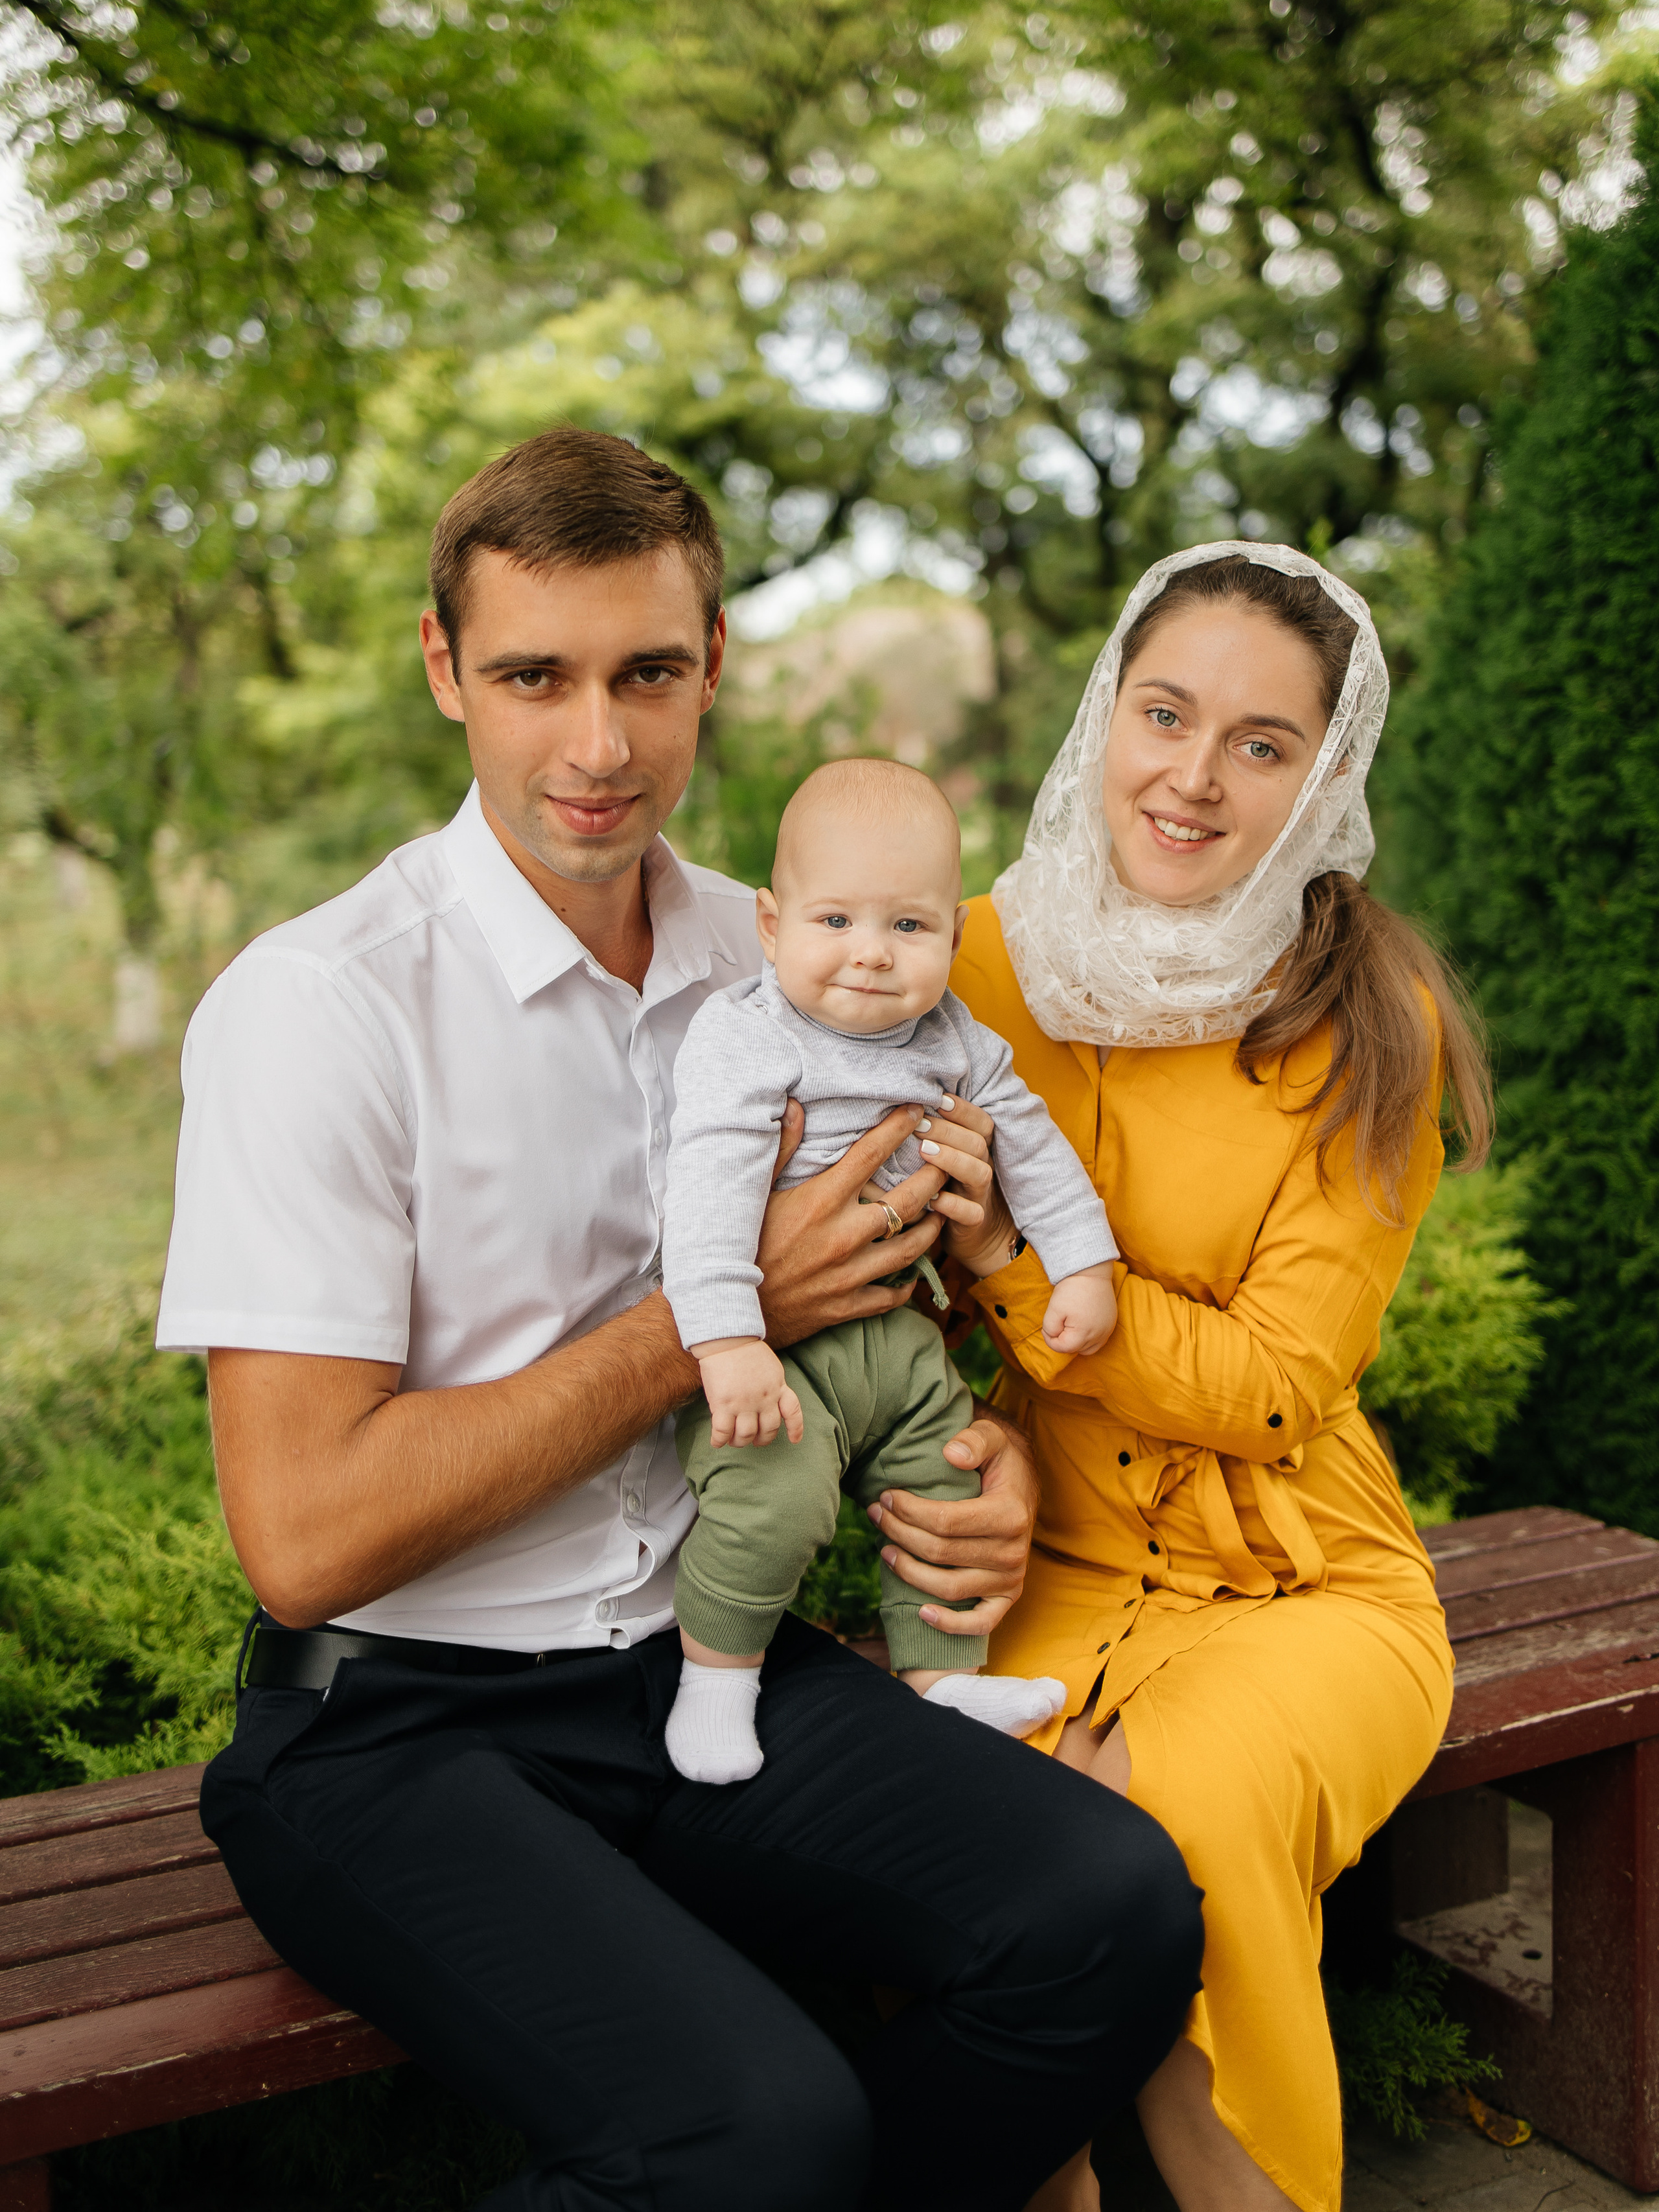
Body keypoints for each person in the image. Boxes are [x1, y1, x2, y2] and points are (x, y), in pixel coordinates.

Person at [156, 426, 1205, 2212]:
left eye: (648, 671)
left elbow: (910, 1314)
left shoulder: (790, 956)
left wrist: (983, 1457)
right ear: (443, 671)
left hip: (697, 1668)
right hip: (385, 1726)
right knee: (759, 2132)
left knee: (1107, 1915)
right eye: (533, 675)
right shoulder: (319, 1007)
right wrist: (700, 1319)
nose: (598, 741)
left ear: (713, 666)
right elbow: (304, 1539)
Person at [938, 544, 1491, 2212]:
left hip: (1302, 1586)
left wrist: (1013, 1285)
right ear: (1103, 710)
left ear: (1322, 782)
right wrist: (970, 1428)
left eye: (1259, 745)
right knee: (967, 1835)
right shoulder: (964, 963)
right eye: (1160, 713)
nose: (1189, 776)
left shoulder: (1364, 1007)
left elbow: (1271, 1383)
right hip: (1044, 1571)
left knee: (1163, 1825)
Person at [660, 755, 1116, 1783]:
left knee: (950, 1483)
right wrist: (729, 1337)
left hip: (904, 1344)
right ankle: (717, 1680)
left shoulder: (954, 1037)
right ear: (771, 924)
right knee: (770, 1500)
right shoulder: (745, 1036)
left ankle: (943, 1676)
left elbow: (1033, 1145)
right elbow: (707, 1193)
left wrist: (1081, 1263)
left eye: (907, 927)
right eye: (836, 923)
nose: (870, 956)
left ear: (954, 933)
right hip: (785, 1356)